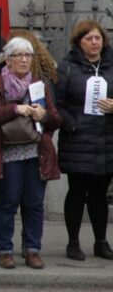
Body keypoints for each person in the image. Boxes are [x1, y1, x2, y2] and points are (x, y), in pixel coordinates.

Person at [0, 36, 61, 269]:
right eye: (19, 55)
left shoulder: (40, 84)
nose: (24, 60)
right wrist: (15, 109)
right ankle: (5, 249)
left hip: (36, 153)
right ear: (8, 60)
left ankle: (32, 249)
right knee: (8, 202)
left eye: (28, 55)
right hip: (6, 154)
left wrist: (43, 115)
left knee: (34, 203)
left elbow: (56, 119)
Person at [55, 20, 113, 260]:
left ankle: (101, 242)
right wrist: (72, 124)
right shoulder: (67, 66)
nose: (94, 42)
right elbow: (57, 103)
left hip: (106, 139)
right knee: (77, 192)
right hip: (78, 139)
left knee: (100, 195)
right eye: (89, 38)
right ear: (79, 41)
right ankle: (73, 242)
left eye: (98, 38)